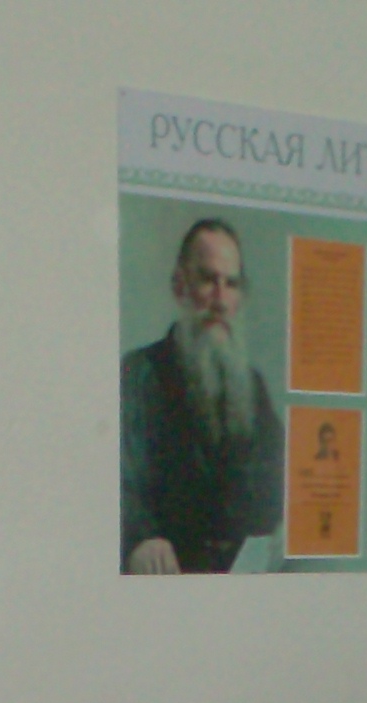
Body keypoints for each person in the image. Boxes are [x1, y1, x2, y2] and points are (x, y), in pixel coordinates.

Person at [120, 217, 283, 574]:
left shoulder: (253, 388)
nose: (220, 300)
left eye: (232, 284)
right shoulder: (137, 375)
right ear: (180, 286)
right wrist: (140, 539)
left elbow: (276, 485)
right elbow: (118, 482)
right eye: (208, 280)